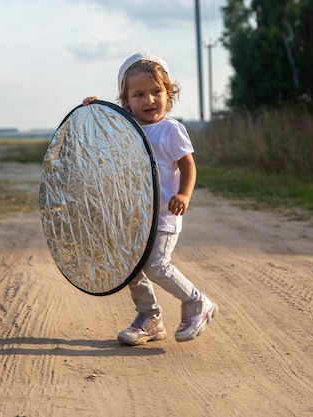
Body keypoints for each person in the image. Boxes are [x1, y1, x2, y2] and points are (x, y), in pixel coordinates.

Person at [83, 52, 218, 345]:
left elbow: (188, 165)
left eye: (156, 92)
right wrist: (93, 110)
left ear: (169, 93)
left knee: (156, 264)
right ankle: (150, 317)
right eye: (139, 94)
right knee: (131, 267)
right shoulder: (126, 128)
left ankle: (197, 302)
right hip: (136, 215)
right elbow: (100, 133)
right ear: (126, 100)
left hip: (166, 213)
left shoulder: (170, 130)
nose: (149, 100)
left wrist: (184, 193)